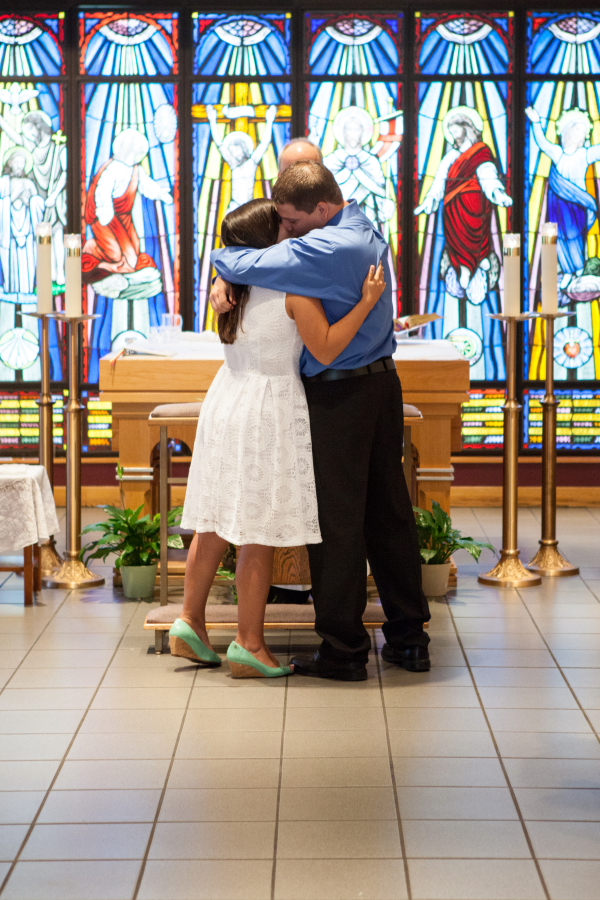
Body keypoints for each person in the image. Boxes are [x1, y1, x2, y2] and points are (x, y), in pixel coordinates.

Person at [210, 161, 431, 681]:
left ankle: (345, 649)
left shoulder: (324, 248)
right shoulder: (364, 228)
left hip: (342, 395)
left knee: (336, 522)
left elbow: (238, 258)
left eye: (291, 220)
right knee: (389, 514)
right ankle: (409, 639)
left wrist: (224, 270)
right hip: (382, 386)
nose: (287, 229)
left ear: (322, 210)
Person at [171, 197, 386, 678]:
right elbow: (327, 347)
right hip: (266, 409)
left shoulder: (233, 287)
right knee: (258, 530)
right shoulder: (293, 287)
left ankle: (190, 620)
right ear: (273, 241)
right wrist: (368, 302)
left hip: (226, 399)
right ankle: (249, 644)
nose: (296, 235)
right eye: (286, 229)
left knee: (216, 523)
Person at [415, 106, 512, 306]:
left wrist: (497, 193)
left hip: (477, 208)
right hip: (454, 211)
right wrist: (429, 200)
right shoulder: (451, 156)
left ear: (466, 127)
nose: (452, 134)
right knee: (457, 242)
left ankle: (480, 258)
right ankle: (465, 268)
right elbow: (439, 182)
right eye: (449, 130)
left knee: (479, 237)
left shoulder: (481, 152)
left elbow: (488, 176)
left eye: (454, 129)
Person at [82, 129, 173, 281]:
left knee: (134, 254)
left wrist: (161, 194)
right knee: (116, 255)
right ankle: (93, 248)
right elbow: (102, 191)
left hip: (125, 219)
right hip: (105, 219)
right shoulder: (112, 169)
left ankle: (101, 253)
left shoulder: (136, 170)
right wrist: (105, 212)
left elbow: (147, 185)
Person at [526, 106, 600, 287]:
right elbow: (542, 143)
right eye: (577, 131)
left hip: (577, 205)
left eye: (583, 133)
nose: (580, 136)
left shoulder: (585, 154)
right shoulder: (557, 153)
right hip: (558, 205)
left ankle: (578, 269)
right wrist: (536, 122)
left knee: (575, 236)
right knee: (560, 239)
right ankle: (567, 271)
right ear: (566, 131)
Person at [207, 104, 277, 212]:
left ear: (243, 148)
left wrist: (270, 120)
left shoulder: (252, 162)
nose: (234, 154)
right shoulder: (233, 164)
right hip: (234, 206)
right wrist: (212, 120)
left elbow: (264, 144)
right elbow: (219, 144)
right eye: (232, 151)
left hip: (250, 206)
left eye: (236, 149)